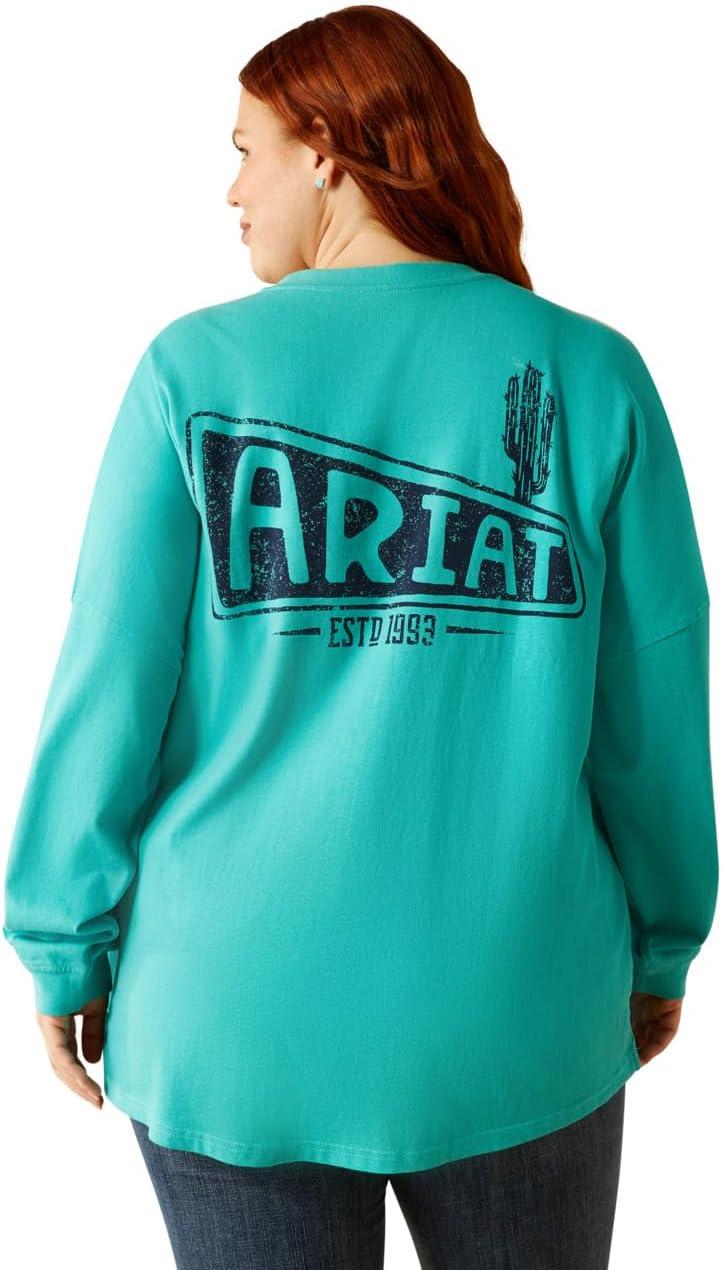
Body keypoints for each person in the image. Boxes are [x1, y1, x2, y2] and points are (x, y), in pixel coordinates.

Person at [3, 6, 718, 1268]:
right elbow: (651, 698)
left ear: (326, 152)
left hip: (231, 1011)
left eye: (245, 151)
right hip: (516, 1005)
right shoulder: (590, 371)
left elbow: (110, 679)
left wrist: (62, 942)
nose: (231, 192)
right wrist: (664, 935)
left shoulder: (193, 370)